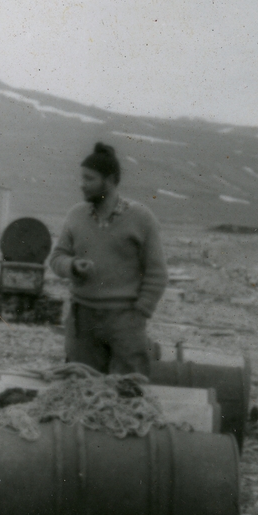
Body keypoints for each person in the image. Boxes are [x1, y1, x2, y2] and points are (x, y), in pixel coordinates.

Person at [49, 142, 167, 376]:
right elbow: (57, 257)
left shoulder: (141, 218)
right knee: (80, 389)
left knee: (129, 391)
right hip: (82, 321)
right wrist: (72, 266)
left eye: (89, 179)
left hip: (125, 322)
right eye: (81, 178)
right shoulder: (76, 216)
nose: (81, 185)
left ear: (110, 180)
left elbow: (157, 273)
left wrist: (139, 315)